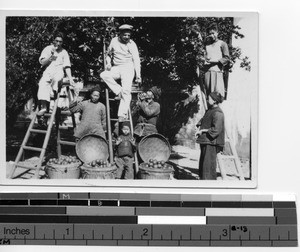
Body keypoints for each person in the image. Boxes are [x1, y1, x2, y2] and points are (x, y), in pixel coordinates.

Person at [100, 24, 141, 121]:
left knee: (126, 91)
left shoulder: (132, 44)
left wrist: (138, 75)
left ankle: (122, 114)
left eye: (128, 35)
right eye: (125, 35)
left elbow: (136, 60)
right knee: (103, 74)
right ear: (120, 34)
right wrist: (109, 63)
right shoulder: (114, 41)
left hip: (128, 68)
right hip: (117, 67)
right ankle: (118, 91)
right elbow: (109, 54)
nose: (127, 37)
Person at [37, 32, 75, 116]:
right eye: (56, 41)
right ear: (53, 40)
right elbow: (42, 62)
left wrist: (71, 78)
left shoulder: (64, 52)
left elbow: (67, 66)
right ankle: (44, 107)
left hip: (58, 70)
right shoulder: (47, 49)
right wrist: (51, 55)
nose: (58, 43)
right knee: (42, 83)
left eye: (60, 41)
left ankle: (53, 103)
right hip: (48, 70)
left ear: (62, 42)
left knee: (56, 79)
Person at [195, 91, 225, 180]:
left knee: (208, 166)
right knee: (203, 165)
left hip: (211, 142)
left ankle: (208, 184)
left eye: (209, 98)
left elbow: (216, 130)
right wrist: (199, 125)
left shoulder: (218, 113)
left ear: (215, 101)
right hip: (205, 140)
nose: (208, 100)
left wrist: (203, 130)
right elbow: (204, 119)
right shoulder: (210, 110)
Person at [203, 23, 230, 99]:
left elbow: (227, 58)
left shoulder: (222, 44)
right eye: (210, 34)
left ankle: (217, 110)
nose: (212, 35)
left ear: (217, 33)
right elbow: (204, 57)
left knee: (217, 95)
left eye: (213, 33)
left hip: (217, 72)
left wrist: (215, 61)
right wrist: (204, 60)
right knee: (208, 96)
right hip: (207, 72)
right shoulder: (207, 45)